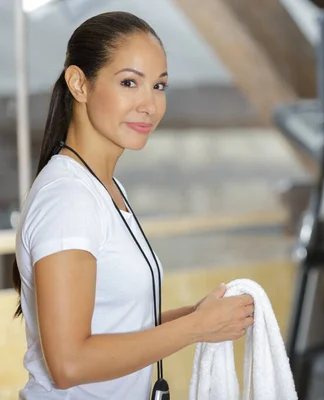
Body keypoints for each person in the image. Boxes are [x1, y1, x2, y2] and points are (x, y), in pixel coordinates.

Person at [11, 11, 254, 399]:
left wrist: (200, 315)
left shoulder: (104, 186)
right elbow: (68, 364)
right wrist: (196, 328)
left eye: (159, 86)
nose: (150, 105)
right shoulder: (68, 199)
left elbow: (117, 323)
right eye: (129, 82)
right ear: (79, 84)